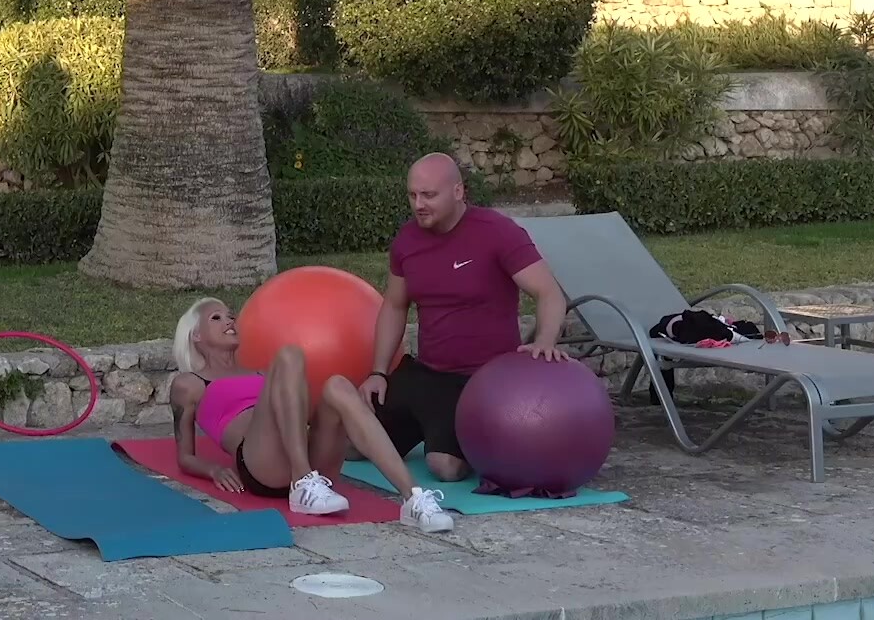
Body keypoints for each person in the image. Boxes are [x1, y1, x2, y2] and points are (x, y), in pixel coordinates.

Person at [360, 152, 572, 483]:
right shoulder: (407, 240)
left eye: (429, 195)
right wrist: (378, 372)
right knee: (351, 446)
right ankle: (424, 425)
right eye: (412, 195)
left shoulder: (497, 232)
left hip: (478, 381)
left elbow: (549, 292)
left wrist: (545, 340)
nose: (418, 204)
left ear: (458, 191)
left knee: (444, 468)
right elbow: (395, 306)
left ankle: (455, 435)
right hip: (425, 374)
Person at [168, 297, 455, 533]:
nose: (230, 321)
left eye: (230, 316)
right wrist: (214, 470)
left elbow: (300, 413)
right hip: (262, 465)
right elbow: (185, 457)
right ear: (196, 335)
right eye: (216, 318)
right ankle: (302, 482)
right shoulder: (189, 383)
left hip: (312, 463)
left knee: (338, 385)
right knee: (290, 355)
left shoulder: (262, 374)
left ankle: (414, 498)